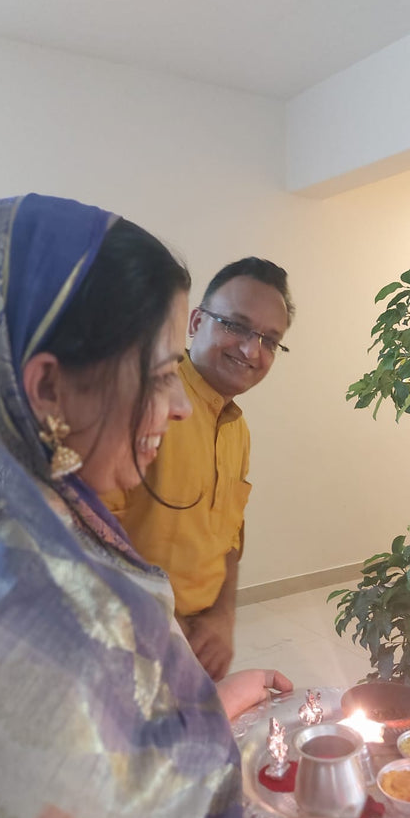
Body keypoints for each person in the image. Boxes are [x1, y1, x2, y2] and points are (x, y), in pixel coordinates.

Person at [0, 193, 407, 818]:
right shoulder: (15, 623)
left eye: (270, 339)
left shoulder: (42, 512)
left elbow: (226, 540)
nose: (173, 407)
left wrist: (200, 700)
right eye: (162, 368)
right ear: (44, 386)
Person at [100, 257, 294, 681]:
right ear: (195, 321)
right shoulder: (146, 400)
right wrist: (170, 630)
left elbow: (229, 539)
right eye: (235, 325)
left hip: (199, 647)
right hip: (121, 645)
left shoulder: (236, 428)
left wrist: (223, 617)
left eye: (269, 339)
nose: (251, 349)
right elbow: (91, 537)